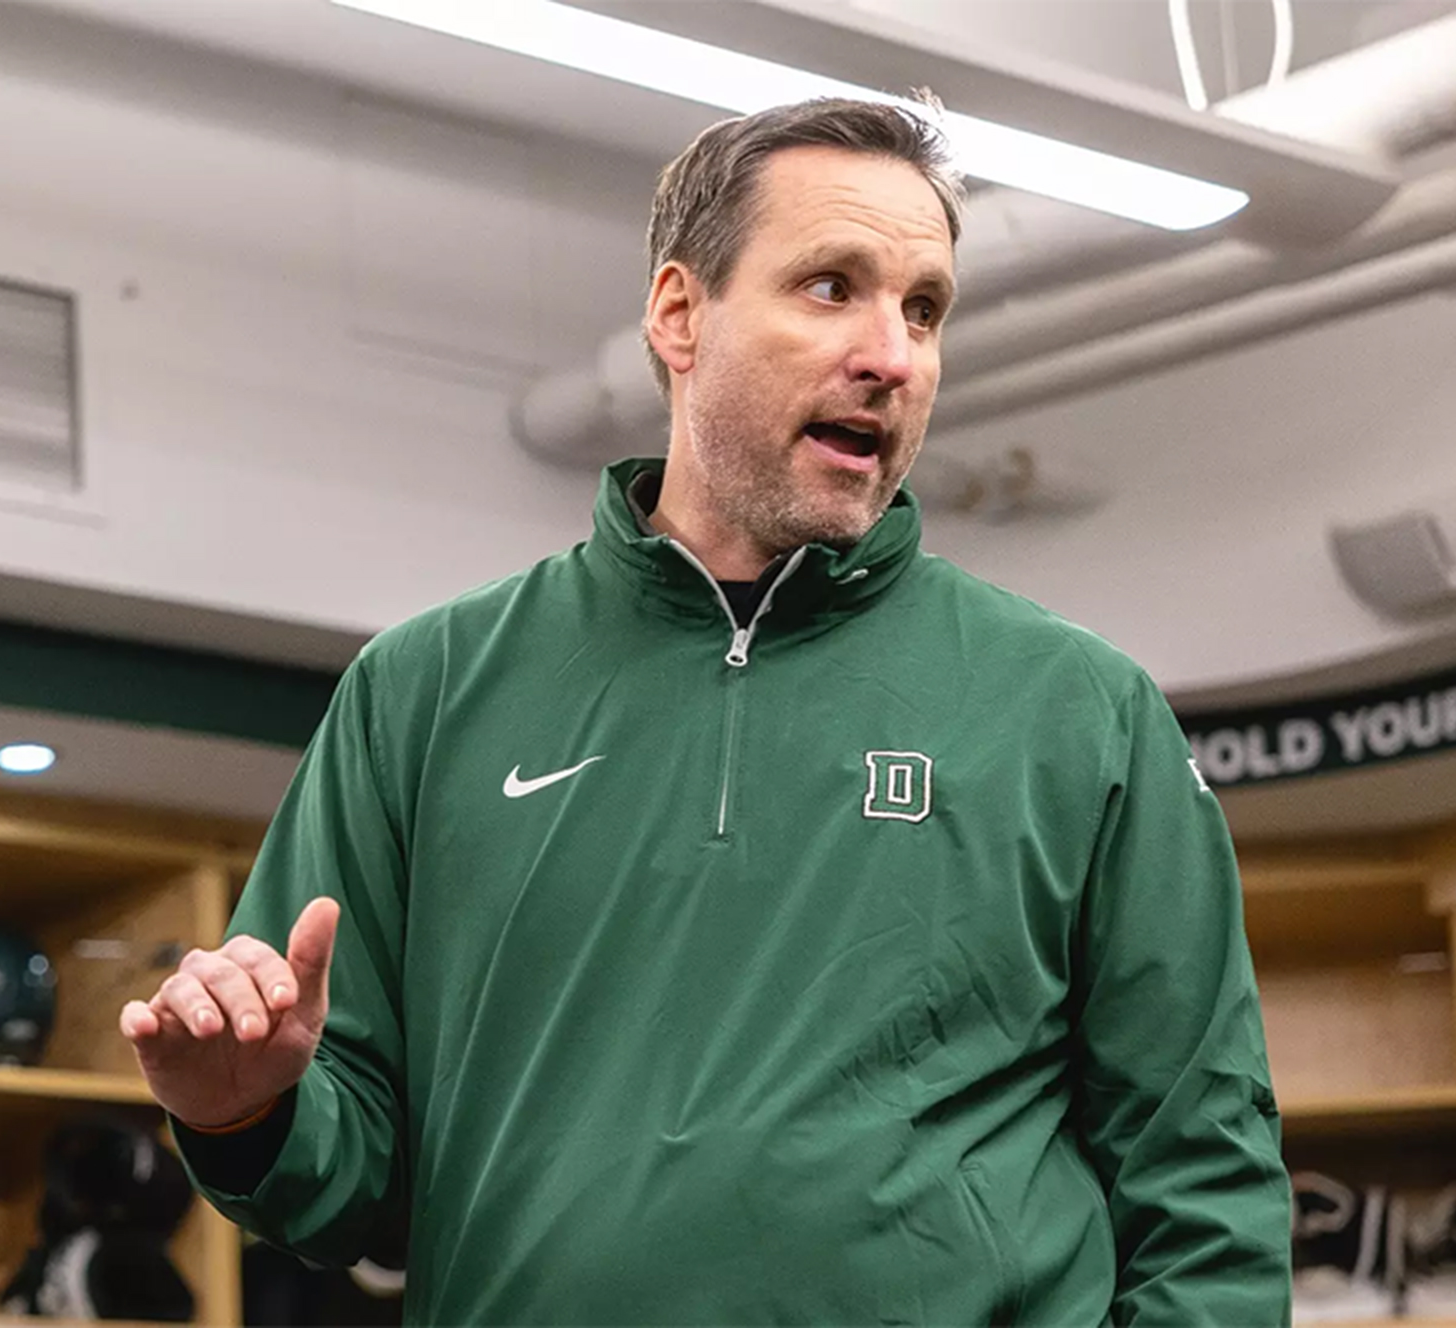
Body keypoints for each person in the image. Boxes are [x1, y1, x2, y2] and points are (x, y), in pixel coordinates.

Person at [122, 96, 1292, 1325]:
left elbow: (1202, 1174)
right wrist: (243, 1105)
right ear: (680, 314)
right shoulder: (425, 689)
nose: (892, 355)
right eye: (832, 285)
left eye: (925, 307)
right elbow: (354, 1174)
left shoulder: (1077, 708)